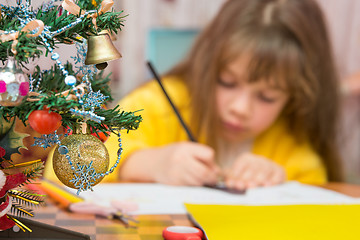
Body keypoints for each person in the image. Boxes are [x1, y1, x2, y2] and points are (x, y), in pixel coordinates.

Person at [104, 0, 344, 190]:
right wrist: (148, 164)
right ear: (207, 64)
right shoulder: (156, 106)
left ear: (296, 97)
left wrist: (282, 184)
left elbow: (316, 200)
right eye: (227, 82)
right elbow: (77, 168)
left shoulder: (294, 149)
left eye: (267, 97)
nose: (240, 108)